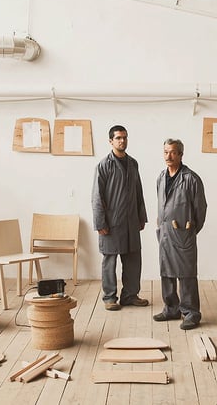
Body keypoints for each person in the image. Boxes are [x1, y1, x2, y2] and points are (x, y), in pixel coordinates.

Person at [91, 125, 149, 311]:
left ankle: (130, 295)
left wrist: (141, 217)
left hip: (131, 221)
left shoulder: (133, 164)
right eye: (118, 138)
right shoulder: (103, 165)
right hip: (111, 223)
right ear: (111, 141)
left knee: (133, 260)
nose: (122, 141)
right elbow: (96, 197)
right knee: (109, 261)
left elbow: (139, 191)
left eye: (124, 137)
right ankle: (109, 298)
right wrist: (100, 223)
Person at [153, 138, 207, 330]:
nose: (169, 156)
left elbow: (200, 209)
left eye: (173, 152)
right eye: (166, 152)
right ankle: (171, 308)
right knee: (166, 272)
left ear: (181, 154)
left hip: (183, 232)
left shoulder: (191, 179)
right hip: (165, 232)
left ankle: (191, 312)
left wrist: (190, 231)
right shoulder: (161, 177)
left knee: (186, 274)